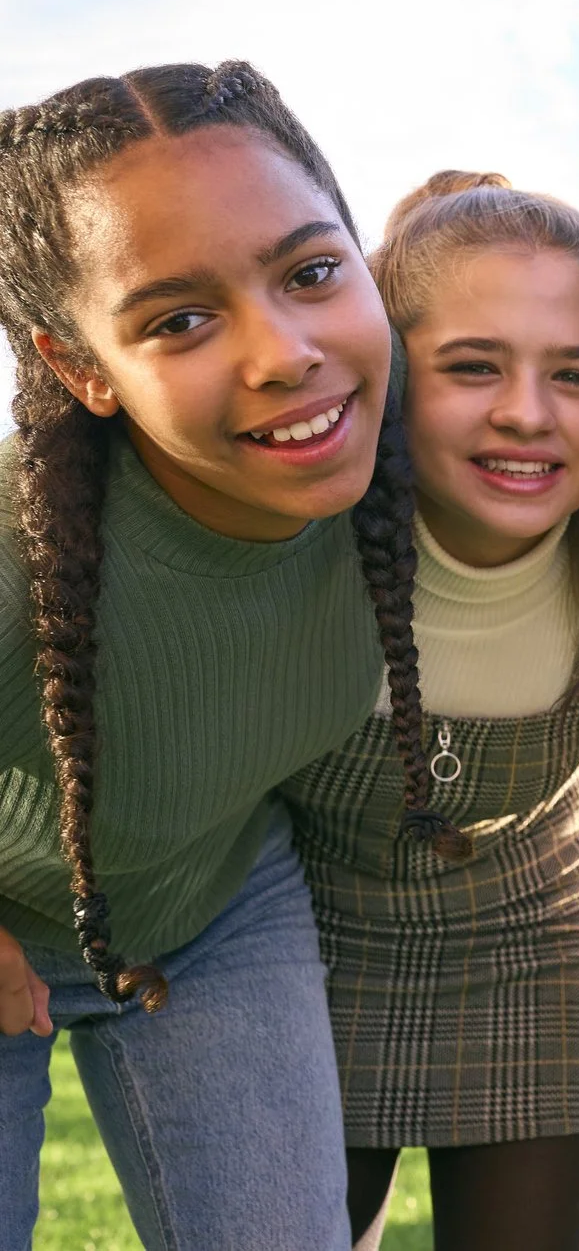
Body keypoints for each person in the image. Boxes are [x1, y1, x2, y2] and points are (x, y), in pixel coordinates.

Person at [0, 60, 433, 1250]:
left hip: (213, 910)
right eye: (179, 319)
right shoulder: (16, 547)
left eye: (309, 272)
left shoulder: (433, 466)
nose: (284, 351)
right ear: (78, 364)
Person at [281, 171, 579, 1251]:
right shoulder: (286, 540)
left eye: (577, 374)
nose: (527, 412)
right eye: (473, 366)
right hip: (305, 937)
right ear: (387, 372)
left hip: (538, 933)